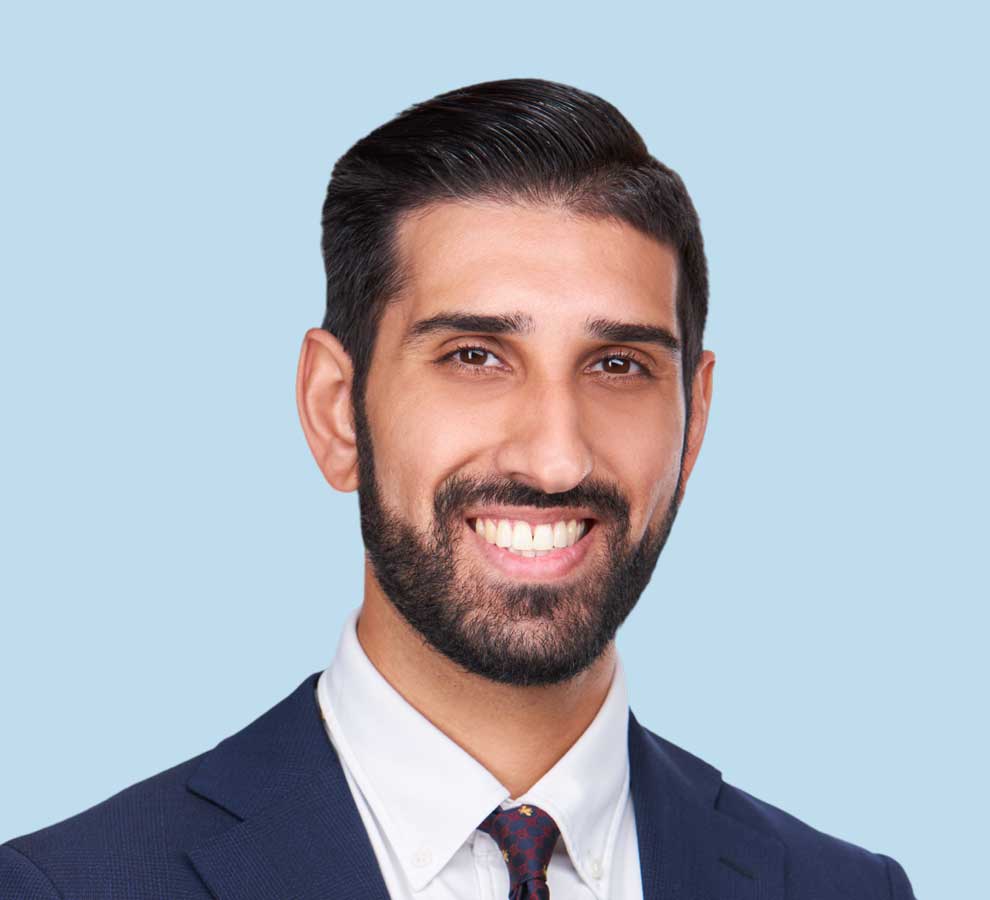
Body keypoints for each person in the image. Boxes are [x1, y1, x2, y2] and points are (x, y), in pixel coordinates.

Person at [1, 78, 916, 899]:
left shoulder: (844, 889)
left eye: (619, 364)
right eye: (475, 357)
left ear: (695, 418)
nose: (556, 459)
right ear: (336, 411)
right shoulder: (71, 887)